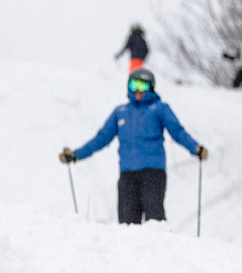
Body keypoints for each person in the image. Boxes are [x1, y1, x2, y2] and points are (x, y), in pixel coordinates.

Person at [59, 68, 208, 224]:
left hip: (153, 173)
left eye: (142, 86)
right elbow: (101, 138)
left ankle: (160, 247)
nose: (137, 90)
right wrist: (76, 155)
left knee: (155, 220)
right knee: (127, 225)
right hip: (128, 176)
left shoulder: (159, 108)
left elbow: (177, 132)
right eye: (133, 85)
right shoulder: (121, 112)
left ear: (151, 87)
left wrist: (195, 148)